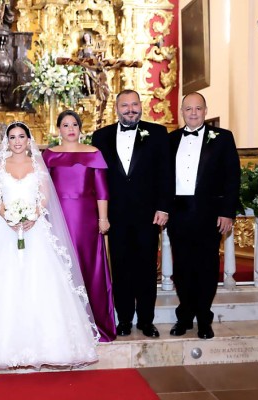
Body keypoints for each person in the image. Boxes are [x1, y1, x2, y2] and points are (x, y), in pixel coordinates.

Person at [0, 122, 99, 389]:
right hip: (5, 230)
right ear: (6, 141)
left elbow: (45, 196)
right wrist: (9, 217)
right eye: (12, 137)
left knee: (41, 284)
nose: (18, 141)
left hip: (35, 230)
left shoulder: (38, 164)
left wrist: (33, 215)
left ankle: (49, 346)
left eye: (22, 136)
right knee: (1, 286)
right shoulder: (0, 165)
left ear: (28, 139)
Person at [92, 89, 172, 338]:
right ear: (116, 108)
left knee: (147, 269)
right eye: (125, 105)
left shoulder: (158, 133)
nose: (130, 109)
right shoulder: (101, 136)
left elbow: (166, 173)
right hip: (115, 215)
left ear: (141, 105)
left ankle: (147, 321)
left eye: (134, 104)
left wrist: (163, 206)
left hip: (148, 214)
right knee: (121, 268)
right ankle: (124, 319)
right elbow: (96, 177)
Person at [168, 92, 240, 340]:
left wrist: (227, 212)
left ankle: (203, 319)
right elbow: (163, 179)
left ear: (205, 110)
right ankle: (184, 316)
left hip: (209, 214)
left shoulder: (223, 138)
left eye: (198, 108)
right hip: (179, 213)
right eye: (188, 109)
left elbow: (233, 178)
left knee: (207, 268)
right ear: (182, 111)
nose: (193, 113)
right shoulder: (172, 139)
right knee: (182, 268)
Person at [43, 110, 116, 342]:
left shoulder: (93, 153)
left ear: (80, 128)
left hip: (87, 220)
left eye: (74, 124)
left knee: (89, 269)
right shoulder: (49, 155)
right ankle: (63, 330)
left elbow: (102, 190)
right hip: (58, 218)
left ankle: (94, 325)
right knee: (60, 270)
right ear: (59, 129)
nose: (70, 128)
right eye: (65, 125)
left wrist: (103, 218)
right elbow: (42, 190)